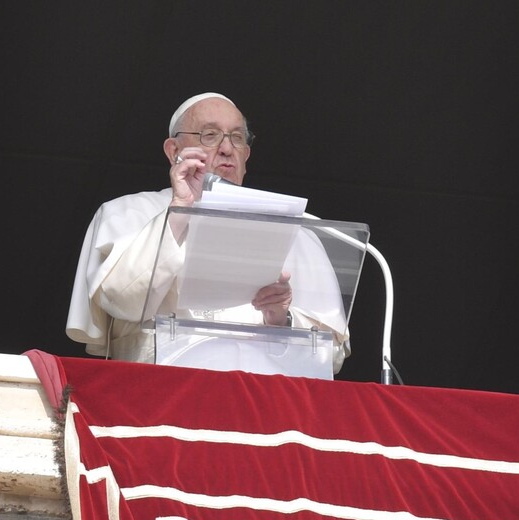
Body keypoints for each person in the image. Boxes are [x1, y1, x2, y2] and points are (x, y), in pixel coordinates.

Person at [66, 93, 349, 373]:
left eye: (237, 138)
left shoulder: (299, 231)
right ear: (173, 150)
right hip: (161, 401)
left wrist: (281, 320)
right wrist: (180, 211)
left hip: (266, 408)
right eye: (210, 135)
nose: (227, 148)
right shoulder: (126, 212)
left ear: (246, 155)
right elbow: (122, 301)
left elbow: (331, 356)